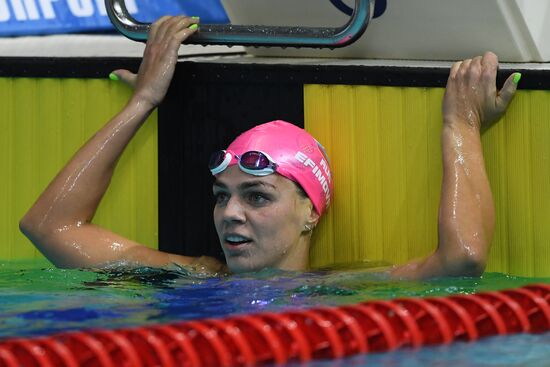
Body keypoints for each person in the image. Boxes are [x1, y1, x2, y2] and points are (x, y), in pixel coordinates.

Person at [19, 16, 520, 279]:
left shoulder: (337, 293)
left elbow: (462, 261)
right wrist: (144, 100)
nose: (229, 213)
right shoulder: (193, 277)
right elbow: (48, 227)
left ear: (310, 211)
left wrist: (462, 123)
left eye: (256, 195)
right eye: (222, 195)